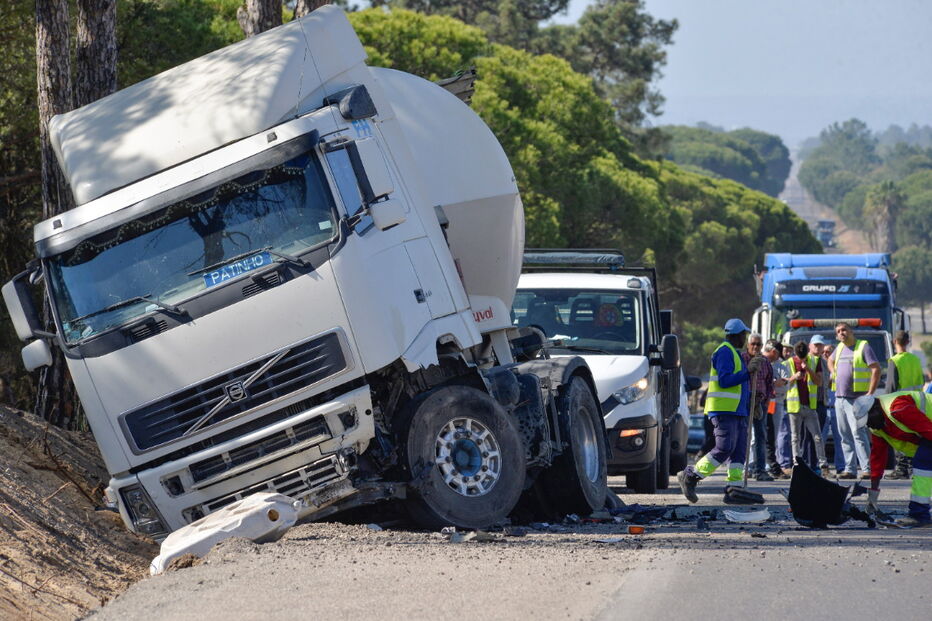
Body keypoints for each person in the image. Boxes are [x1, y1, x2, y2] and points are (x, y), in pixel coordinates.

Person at [678, 318, 763, 503]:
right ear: (737, 335)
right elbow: (725, 381)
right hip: (724, 410)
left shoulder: (734, 353)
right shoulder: (724, 352)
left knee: (739, 452)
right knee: (724, 448)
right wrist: (747, 372)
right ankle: (690, 475)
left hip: (737, 411)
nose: (745, 339)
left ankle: (734, 490)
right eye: (744, 335)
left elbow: (739, 386)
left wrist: (752, 402)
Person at [863, 391, 932, 528]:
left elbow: (929, 430)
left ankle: (920, 515)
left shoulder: (898, 408)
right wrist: (873, 494)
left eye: (869, 420)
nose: (869, 425)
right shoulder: (877, 427)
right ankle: (920, 514)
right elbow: (878, 458)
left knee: (922, 464)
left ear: (876, 409)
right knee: (923, 463)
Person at [827, 321, 881, 479]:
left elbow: (876, 369)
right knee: (844, 435)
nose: (841, 333)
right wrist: (833, 372)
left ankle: (867, 469)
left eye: (844, 330)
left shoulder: (863, 346)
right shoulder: (839, 348)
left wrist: (870, 393)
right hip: (840, 398)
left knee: (858, 434)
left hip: (857, 399)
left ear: (851, 331)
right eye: (838, 331)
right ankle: (850, 470)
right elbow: (830, 360)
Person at [787, 341, 830, 473]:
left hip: (810, 406)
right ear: (795, 354)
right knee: (795, 437)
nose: (802, 359)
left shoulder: (814, 361)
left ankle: (823, 463)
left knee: (817, 436)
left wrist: (809, 369)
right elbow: (783, 383)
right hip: (795, 406)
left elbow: (819, 382)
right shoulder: (788, 363)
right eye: (800, 357)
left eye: (804, 357)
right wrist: (794, 377)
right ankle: (796, 463)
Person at [886, 331, 925, 479]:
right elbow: (921, 381)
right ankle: (914, 468)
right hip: (916, 403)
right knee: (913, 436)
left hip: (900, 405)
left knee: (900, 437)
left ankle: (902, 469)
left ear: (894, 341)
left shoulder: (894, 361)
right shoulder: (915, 359)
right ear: (908, 342)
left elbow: (891, 387)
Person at [742, 333, 774, 481]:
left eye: (758, 344)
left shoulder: (765, 361)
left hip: (760, 403)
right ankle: (742, 468)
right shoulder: (742, 359)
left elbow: (769, 383)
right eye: (753, 344)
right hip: (744, 402)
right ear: (748, 345)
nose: (755, 347)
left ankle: (760, 471)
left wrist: (767, 400)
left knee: (761, 436)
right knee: (743, 435)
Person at [764, 340, 791, 478]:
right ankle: (752, 464)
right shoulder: (762, 363)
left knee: (772, 435)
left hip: (776, 403)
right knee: (756, 436)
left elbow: (786, 386)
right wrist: (775, 383)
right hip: (763, 403)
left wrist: (775, 385)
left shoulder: (782, 367)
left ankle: (768, 465)